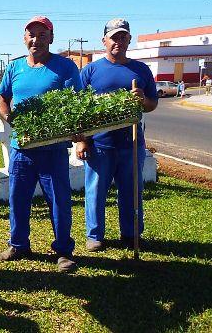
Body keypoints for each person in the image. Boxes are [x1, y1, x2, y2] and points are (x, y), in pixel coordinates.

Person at [0, 16, 82, 273]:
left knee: (59, 201)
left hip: (53, 150)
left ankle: (64, 251)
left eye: (42, 34)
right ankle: (18, 244)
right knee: (18, 199)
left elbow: (74, 102)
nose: (36, 39)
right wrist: (7, 115)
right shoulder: (15, 68)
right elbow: (3, 96)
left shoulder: (65, 68)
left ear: (51, 38)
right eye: (31, 34)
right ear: (24, 39)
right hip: (22, 149)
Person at [76, 18, 158, 252]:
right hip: (99, 145)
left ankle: (131, 233)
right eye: (114, 37)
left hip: (131, 144)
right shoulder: (91, 71)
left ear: (129, 39)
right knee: (95, 192)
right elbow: (79, 108)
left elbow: (152, 104)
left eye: (123, 37)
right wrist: (82, 140)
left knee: (132, 192)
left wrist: (142, 99)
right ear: (104, 41)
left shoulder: (140, 70)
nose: (118, 42)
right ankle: (94, 235)